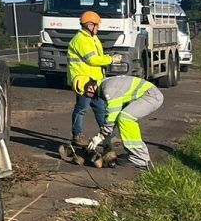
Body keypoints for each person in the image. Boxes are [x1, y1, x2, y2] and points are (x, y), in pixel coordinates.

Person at [76, 73, 165, 168]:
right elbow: (112, 115)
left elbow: (112, 114)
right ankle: (137, 155)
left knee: (125, 118)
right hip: (149, 94)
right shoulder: (105, 85)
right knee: (122, 117)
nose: (88, 97)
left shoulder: (108, 90)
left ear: (90, 88)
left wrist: (101, 136)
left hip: (151, 96)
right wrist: (105, 138)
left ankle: (140, 158)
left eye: (86, 94)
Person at [67, 10, 111, 148]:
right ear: (89, 25)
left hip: (94, 81)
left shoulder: (92, 38)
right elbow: (92, 60)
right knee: (81, 109)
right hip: (84, 81)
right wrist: (110, 59)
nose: (99, 28)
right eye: (97, 25)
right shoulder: (80, 40)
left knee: (101, 108)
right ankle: (77, 135)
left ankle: (107, 135)